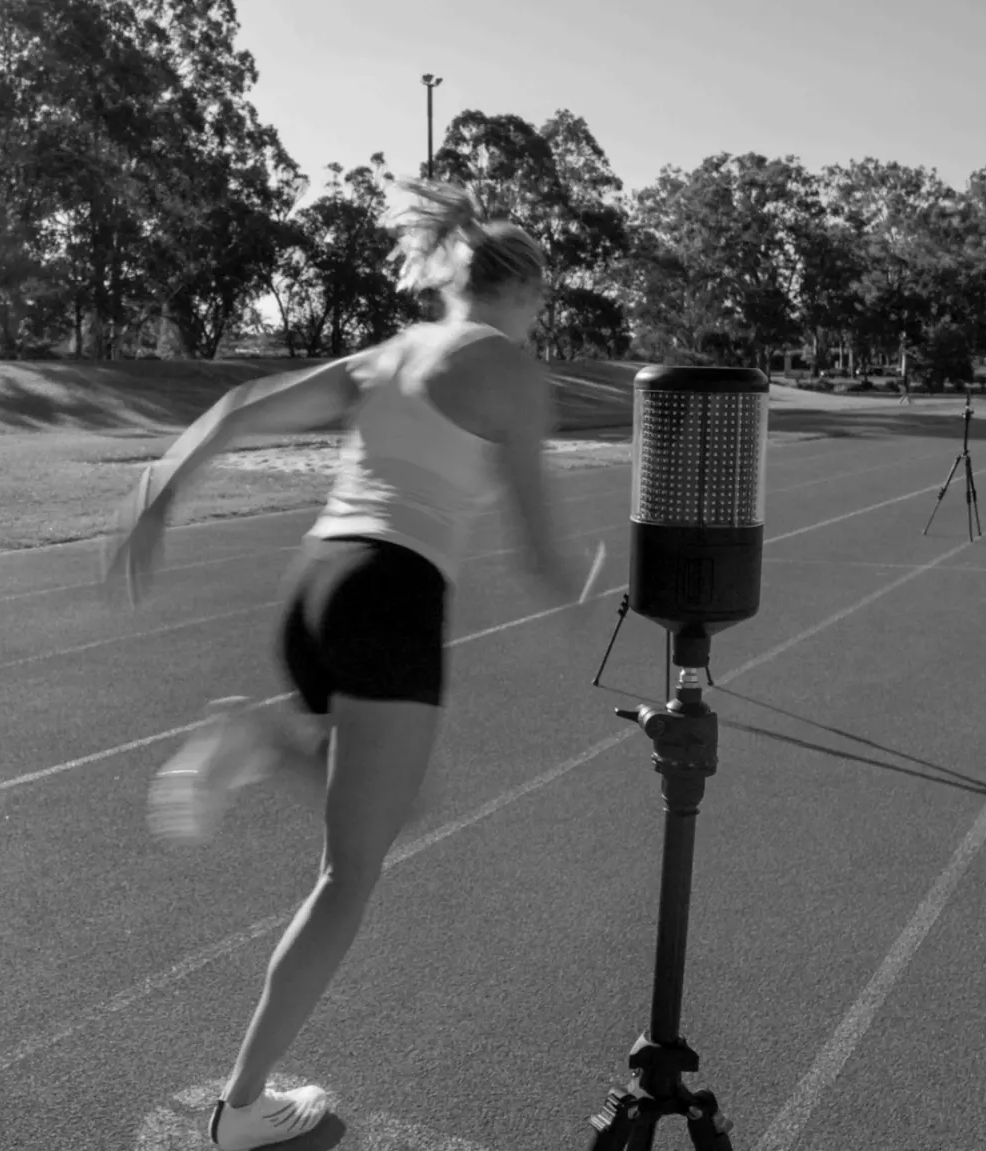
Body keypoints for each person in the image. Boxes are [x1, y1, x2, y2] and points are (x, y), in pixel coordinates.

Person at [100, 178, 606, 1150]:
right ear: (527, 289)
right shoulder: (507, 363)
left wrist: (159, 488)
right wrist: (586, 585)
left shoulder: (393, 350)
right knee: (350, 868)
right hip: (390, 591)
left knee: (375, 812)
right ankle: (241, 1108)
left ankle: (264, 731)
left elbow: (244, 403)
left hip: (314, 581)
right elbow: (540, 547)